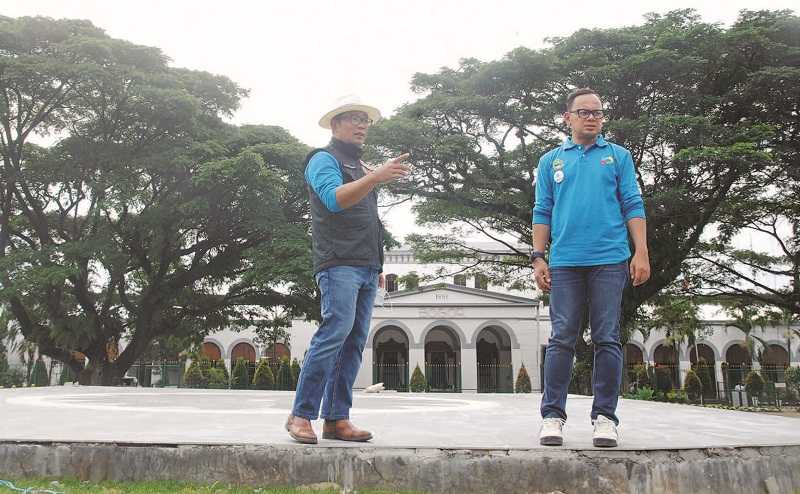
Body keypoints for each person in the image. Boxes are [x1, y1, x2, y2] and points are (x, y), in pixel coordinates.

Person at [285, 96, 409, 444]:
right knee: (334, 332)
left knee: (354, 342)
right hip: (338, 262)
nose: (362, 125)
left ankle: (337, 419)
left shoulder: (360, 165)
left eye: (365, 120)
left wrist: (378, 265)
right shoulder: (322, 159)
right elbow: (333, 199)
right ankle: (301, 414)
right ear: (335, 124)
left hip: (366, 266)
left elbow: (368, 220)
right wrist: (377, 177)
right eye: (354, 119)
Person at [532, 88, 650, 448]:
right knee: (561, 338)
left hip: (610, 259)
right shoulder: (550, 160)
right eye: (583, 112)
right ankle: (552, 416)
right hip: (565, 262)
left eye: (597, 112)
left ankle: (605, 418)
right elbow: (542, 209)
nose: (592, 118)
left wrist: (640, 251)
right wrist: (539, 256)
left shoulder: (618, 156)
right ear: (567, 117)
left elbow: (632, 202)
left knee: (607, 337)